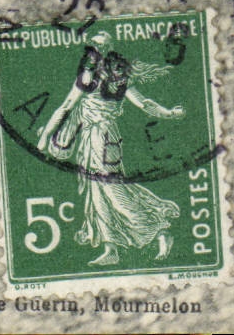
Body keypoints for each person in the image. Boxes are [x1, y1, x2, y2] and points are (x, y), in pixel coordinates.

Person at [37, 31, 185, 265]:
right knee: (97, 193)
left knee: (114, 192)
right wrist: (45, 135)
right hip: (93, 137)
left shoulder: (111, 77)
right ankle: (111, 249)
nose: (95, 51)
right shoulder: (97, 77)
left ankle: (158, 231)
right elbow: (67, 106)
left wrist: (168, 113)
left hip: (103, 138)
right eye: (94, 46)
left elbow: (142, 103)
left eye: (99, 47)